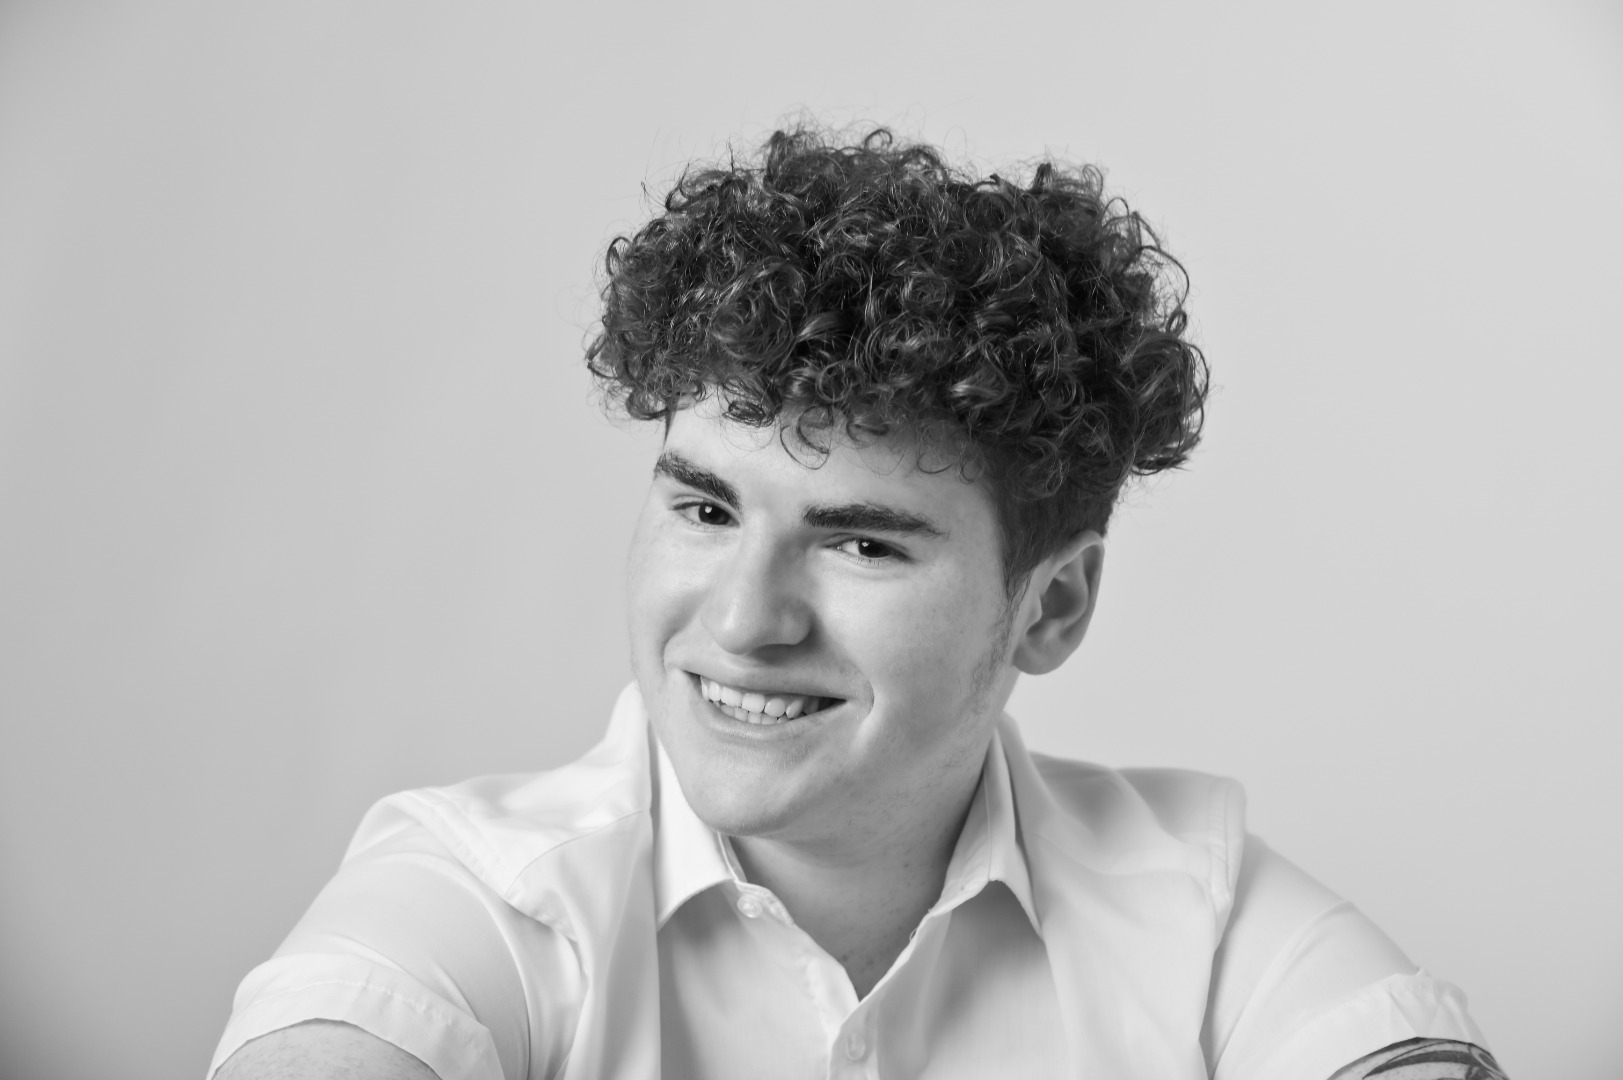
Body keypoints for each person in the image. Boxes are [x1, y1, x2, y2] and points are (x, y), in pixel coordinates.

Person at [210, 127, 1506, 1080]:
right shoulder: (474, 905)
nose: (744, 621)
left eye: (863, 545)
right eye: (706, 511)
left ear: (1052, 607)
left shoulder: (1205, 923)